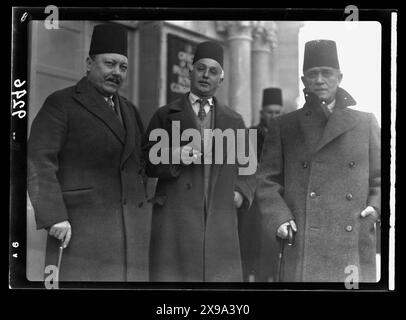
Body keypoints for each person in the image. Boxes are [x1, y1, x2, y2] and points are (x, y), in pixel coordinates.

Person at [28, 23, 151, 281]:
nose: (116, 72)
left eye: (123, 67)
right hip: (79, 231)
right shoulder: (61, 103)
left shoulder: (130, 110)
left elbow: (141, 162)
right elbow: (38, 161)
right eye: (109, 64)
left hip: (130, 236)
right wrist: (54, 217)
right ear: (88, 63)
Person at [256, 39, 381, 282]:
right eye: (312, 74)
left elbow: (381, 175)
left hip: (352, 232)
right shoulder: (284, 125)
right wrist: (278, 217)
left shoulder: (365, 122)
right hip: (303, 236)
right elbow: (266, 180)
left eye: (327, 73)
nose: (320, 80)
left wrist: (374, 206)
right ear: (304, 81)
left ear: (340, 77)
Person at [143, 41, 255, 282]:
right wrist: (175, 154)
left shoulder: (234, 121)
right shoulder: (164, 115)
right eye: (201, 68)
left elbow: (249, 168)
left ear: (221, 79)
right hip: (175, 220)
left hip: (219, 221)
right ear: (190, 71)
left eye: (213, 71)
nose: (206, 75)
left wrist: (239, 194)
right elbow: (147, 161)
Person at [239, 87, 284, 281]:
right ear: (261, 113)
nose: (273, 116)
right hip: (252, 204)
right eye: (269, 112)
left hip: (276, 202)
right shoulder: (249, 135)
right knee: (251, 247)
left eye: (277, 112)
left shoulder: (288, 137)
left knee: (273, 252)